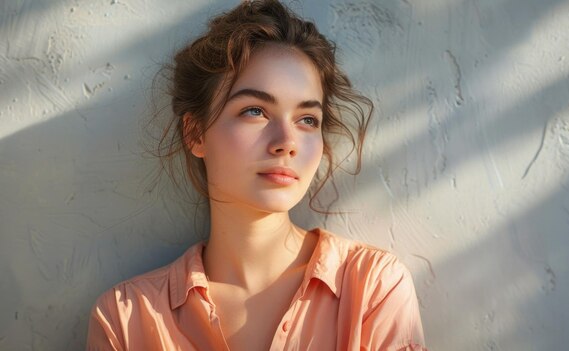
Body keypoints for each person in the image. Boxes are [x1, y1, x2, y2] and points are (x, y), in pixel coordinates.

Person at [87, 0, 426, 350]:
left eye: (307, 119)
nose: (287, 143)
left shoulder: (372, 288)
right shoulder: (127, 320)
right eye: (255, 111)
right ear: (196, 134)